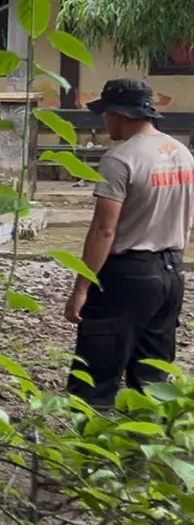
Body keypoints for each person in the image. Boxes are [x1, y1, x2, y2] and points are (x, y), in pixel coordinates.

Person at [64, 78, 194, 409]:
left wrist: (82, 286)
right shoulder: (182, 153)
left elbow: (104, 230)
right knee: (151, 376)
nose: (104, 123)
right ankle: (143, 453)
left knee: (95, 377)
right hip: (170, 271)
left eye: (105, 114)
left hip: (127, 274)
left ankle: (90, 456)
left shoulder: (120, 159)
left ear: (119, 113)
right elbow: (187, 220)